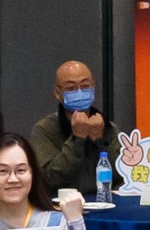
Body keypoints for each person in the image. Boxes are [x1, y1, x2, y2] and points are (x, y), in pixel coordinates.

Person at [27, 60, 112, 195]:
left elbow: (121, 176)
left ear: (93, 86)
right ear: (57, 93)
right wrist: (77, 139)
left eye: (85, 86)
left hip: (104, 201)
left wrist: (99, 141)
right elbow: (49, 179)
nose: (79, 92)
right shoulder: (44, 129)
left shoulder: (108, 126)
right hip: (61, 203)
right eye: (71, 88)